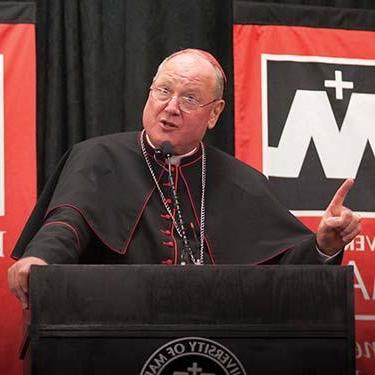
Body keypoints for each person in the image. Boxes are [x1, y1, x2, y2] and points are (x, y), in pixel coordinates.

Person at [8, 49, 361, 309]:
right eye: (163, 91)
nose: (171, 106)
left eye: (189, 98)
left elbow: (285, 271)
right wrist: (40, 260)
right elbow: (68, 223)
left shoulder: (243, 182)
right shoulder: (97, 157)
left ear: (215, 113)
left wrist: (324, 244)